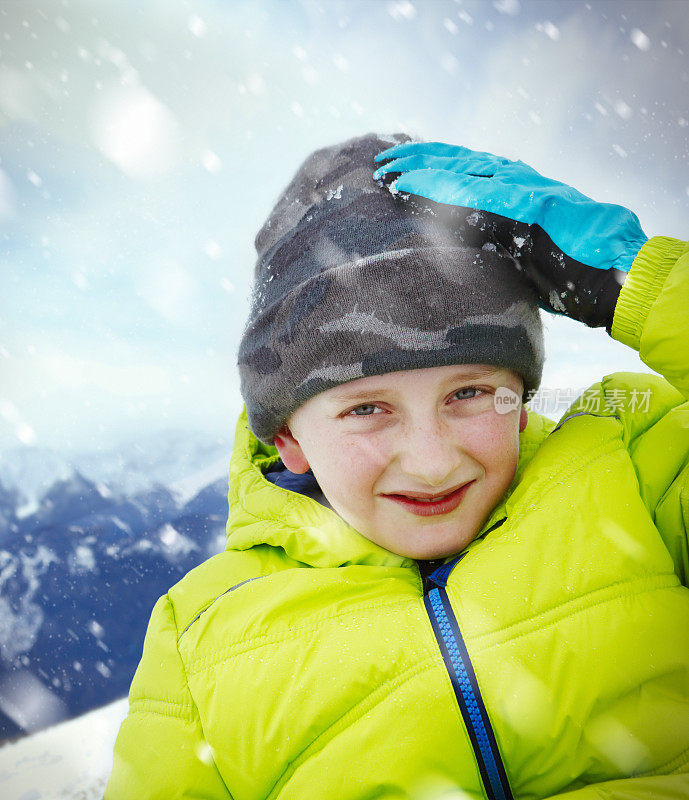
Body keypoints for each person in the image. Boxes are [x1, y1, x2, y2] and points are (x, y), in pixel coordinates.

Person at [104, 133, 689, 799]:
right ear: (287, 439)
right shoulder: (200, 636)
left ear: (519, 400)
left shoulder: (639, 469)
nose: (434, 463)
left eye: (467, 394)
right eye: (366, 410)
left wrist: (638, 284)